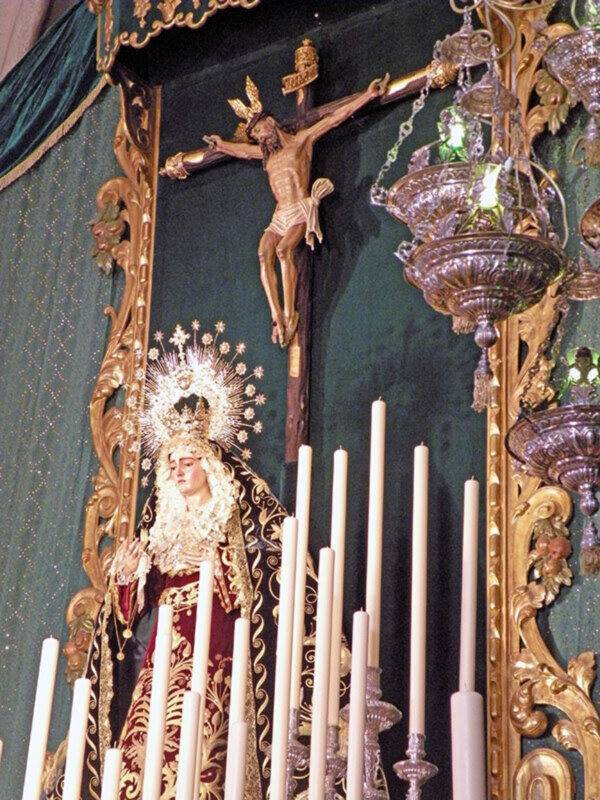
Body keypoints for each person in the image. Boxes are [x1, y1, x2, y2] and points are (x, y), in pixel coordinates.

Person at [44, 321, 323, 800]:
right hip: (164, 653)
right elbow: (131, 614)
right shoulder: (163, 530)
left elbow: (257, 590)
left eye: (187, 463)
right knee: (144, 754)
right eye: (171, 464)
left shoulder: (231, 523)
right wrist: (128, 577)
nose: (177, 472)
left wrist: (221, 562)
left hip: (216, 649)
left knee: (205, 755)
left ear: (208, 466)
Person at [163, 74, 389, 347]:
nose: (259, 138)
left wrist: (367, 96)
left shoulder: (302, 140)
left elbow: (333, 120)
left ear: (270, 122)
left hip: (299, 210)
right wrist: (222, 145)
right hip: (280, 215)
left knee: (283, 251)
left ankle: (290, 313)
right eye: (255, 136)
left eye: (259, 131)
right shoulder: (265, 155)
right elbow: (243, 152)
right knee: (263, 253)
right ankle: (276, 317)